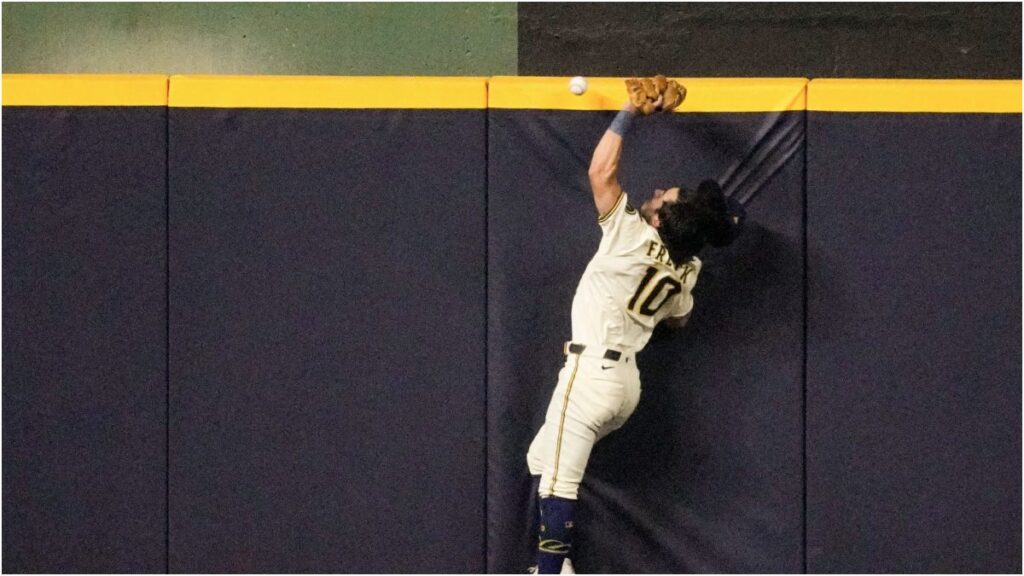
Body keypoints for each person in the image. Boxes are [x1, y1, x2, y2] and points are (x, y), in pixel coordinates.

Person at [525, 87, 744, 574]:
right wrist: (713, 226)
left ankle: (547, 571)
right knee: (541, 460)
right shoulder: (688, 271)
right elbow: (680, 318)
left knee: (559, 481)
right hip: (625, 389)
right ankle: (556, 568)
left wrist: (630, 111)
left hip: (590, 376)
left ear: (661, 218)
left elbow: (600, 172)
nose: (656, 193)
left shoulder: (631, 235)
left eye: (662, 197)